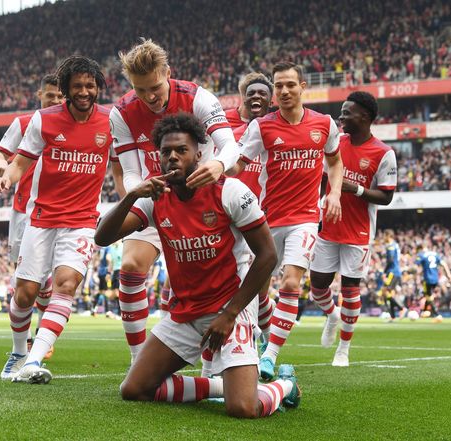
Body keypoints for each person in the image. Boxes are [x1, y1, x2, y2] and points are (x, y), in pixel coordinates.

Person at [95, 113, 300, 418]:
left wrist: (230, 314)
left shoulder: (230, 191)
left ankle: (285, 385)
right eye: (166, 152)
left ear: (198, 155)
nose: (173, 157)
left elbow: (268, 255)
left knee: (243, 408)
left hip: (231, 308)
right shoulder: (154, 199)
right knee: (133, 389)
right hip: (186, 313)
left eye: (181, 150)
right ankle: (219, 386)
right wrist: (132, 196)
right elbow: (102, 237)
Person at [110, 39, 240, 364]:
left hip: (204, 196)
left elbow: (230, 145)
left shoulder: (198, 98)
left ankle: (241, 348)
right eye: (140, 90)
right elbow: (129, 172)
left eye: (155, 87)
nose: (149, 97)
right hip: (158, 196)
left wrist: (217, 165)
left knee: (218, 280)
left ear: (168, 73)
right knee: (130, 267)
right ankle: (138, 359)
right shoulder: (121, 113)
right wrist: (141, 189)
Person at [0, 56, 116, 383]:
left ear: (98, 87)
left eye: (90, 85)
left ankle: (33, 361)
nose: (85, 92)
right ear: (66, 90)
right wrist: (6, 180)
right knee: (25, 294)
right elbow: (19, 163)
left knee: (66, 285)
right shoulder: (43, 120)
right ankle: (18, 352)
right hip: (42, 218)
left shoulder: (111, 120)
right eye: (78, 86)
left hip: (82, 220)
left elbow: (121, 167)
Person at [233, 61, 344, 380]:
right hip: (267, 220)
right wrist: (213, 173)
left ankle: (269, 356)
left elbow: (335, 162)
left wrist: (334, 194)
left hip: (305, 219)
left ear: (302, 87)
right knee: (257, 291)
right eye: (278, 86)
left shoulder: (324, 124)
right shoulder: (262, 127)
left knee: (291, 283)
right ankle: (265, 336)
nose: (283, 91)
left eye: (290, 85)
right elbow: (238, 165)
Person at [309, 91, 397, 366]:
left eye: (347, 113)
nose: (341, 116)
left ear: (365, 117)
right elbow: (322, 178)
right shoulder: (335, 144)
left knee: (350, 288)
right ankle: (332, 315)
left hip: (358, 232)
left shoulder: (383, 153)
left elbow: (386, 196)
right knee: (317, 286)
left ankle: (343, 349)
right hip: (328, 226)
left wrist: (356, 188)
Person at [0, 74, 64, 353]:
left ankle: (40, 336)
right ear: (40, 95)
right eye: (51, 95)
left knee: (47, 279)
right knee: (25, 279)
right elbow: (0, 154)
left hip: (56, 210)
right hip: (23, 211)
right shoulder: (23, 123)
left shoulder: (70, 124)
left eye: (60, 96)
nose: (56, 100)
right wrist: (0, 165)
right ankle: (23, 341)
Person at [227, 72, 276, 351]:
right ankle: (255, 348)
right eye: (251, 93)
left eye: (262, 93)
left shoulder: (277, 133)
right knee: (241, 286)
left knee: (259, 290)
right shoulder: (231, 135)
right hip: (233, 217)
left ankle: (266, 345)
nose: (256, 98)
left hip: (264, 218)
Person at [416, 244, 451, 322]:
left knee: (428, 296)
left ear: (420, 249)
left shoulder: (422, 255)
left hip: (427, 279)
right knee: (428, 295)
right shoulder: (435, 254)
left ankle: (437, 314)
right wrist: (448, 274)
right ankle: (424, 312)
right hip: (435, 278)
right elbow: (444, 264)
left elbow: (417, 267)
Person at [381, 229, 406, 320]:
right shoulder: (395, 244)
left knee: (385, 292)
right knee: (390, 293)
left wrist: (384, 272)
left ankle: (401, 308)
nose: (383, 237)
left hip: (392, 272)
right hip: (396, 271)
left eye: (384, 235)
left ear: (388, 236)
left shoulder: (390, 246)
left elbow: (390, 260)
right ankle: (393, 316)